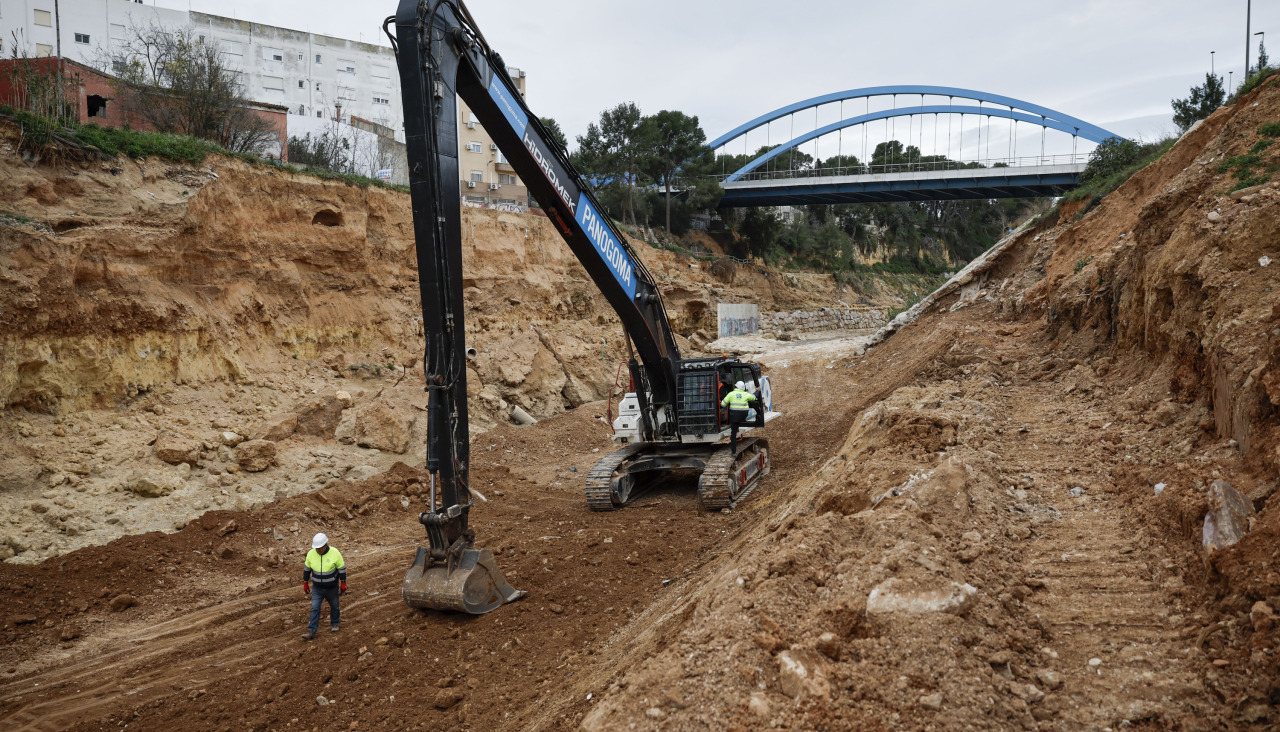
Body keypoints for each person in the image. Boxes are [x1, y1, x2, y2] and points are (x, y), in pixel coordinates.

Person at [301, 532, 346, 640]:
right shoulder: (311, 554)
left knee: (335, 606)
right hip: (317, 588)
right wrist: (305, 582)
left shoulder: (335, 553)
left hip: (332, 587)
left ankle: (335, 623)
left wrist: (343, 582)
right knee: (314, 608)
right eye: (316, 548)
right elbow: (307, 569)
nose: (318, 550)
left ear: (325, 544)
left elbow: (341, 569)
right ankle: (311, 631)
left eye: (320, 548)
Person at [720, 380, 757, 452]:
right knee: (739, 420)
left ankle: (733, 451)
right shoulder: (746, 394)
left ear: (736, 387)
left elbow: (722, 404)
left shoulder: (731, 394)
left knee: (733, 433)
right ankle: (739, 425)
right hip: (743, 416)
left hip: (734, 417)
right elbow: (754, 398)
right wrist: (757, 391)